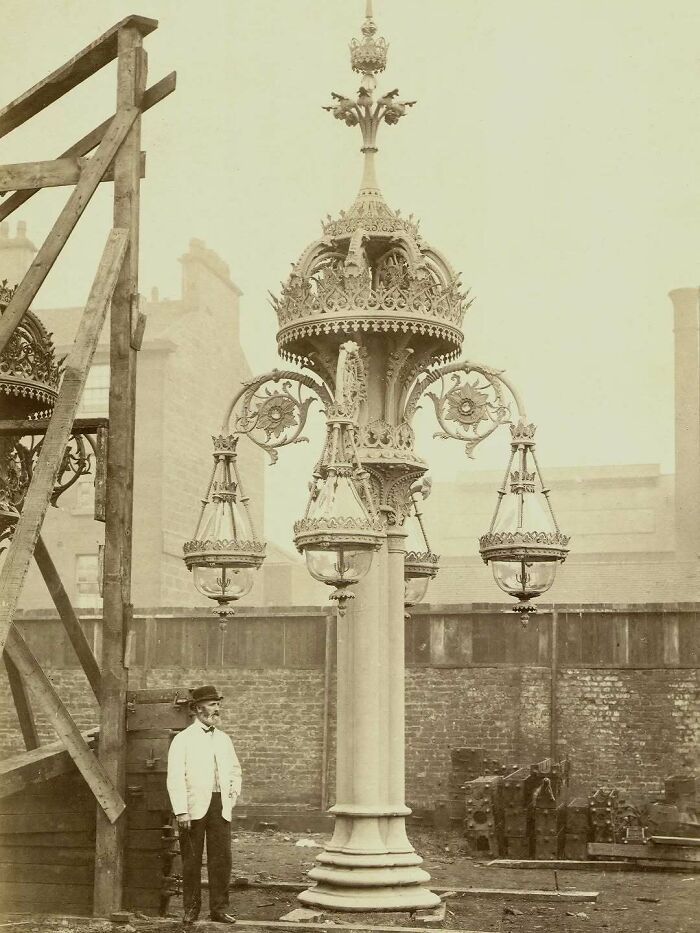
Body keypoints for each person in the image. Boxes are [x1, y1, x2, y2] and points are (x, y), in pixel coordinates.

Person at [167, 685, 242, 925]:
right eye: (212, 704)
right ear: (198, 709)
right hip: (193, 808)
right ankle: (191, 909)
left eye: (218, 704)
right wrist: (181, 811)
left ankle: (219, 909)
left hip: (220, 806)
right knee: (191, 860)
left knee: (221, 860)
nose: (217, 709)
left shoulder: (223, 739)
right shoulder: (183, 739)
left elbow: (235, 770)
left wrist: (232, 796)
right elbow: (175, 777)